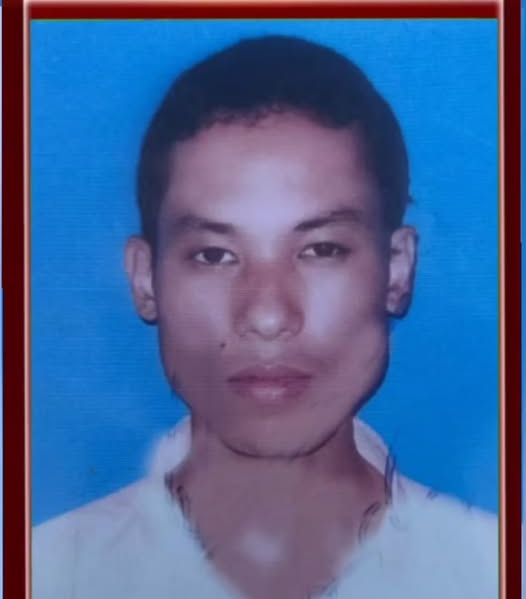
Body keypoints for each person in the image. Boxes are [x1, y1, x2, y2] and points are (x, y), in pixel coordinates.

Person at [33, 35, 498, 599]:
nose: (269, 316)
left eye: (321, 249)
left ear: (397, 270)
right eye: (214, 255)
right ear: (145, 279)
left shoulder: (494, 573)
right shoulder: (45, 575)